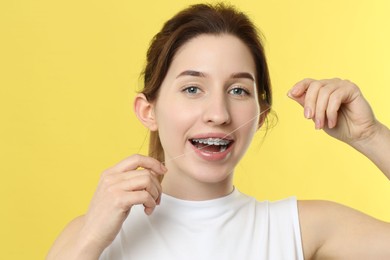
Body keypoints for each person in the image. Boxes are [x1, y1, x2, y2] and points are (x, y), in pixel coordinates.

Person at [47, 3, 390, 260]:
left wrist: (371, 135)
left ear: (260, 115)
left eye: (238, 90)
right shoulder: (94, 234)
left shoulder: (300, 228)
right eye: (193, 88)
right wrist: (91, 237)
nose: (218, 114)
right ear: (148, 111)